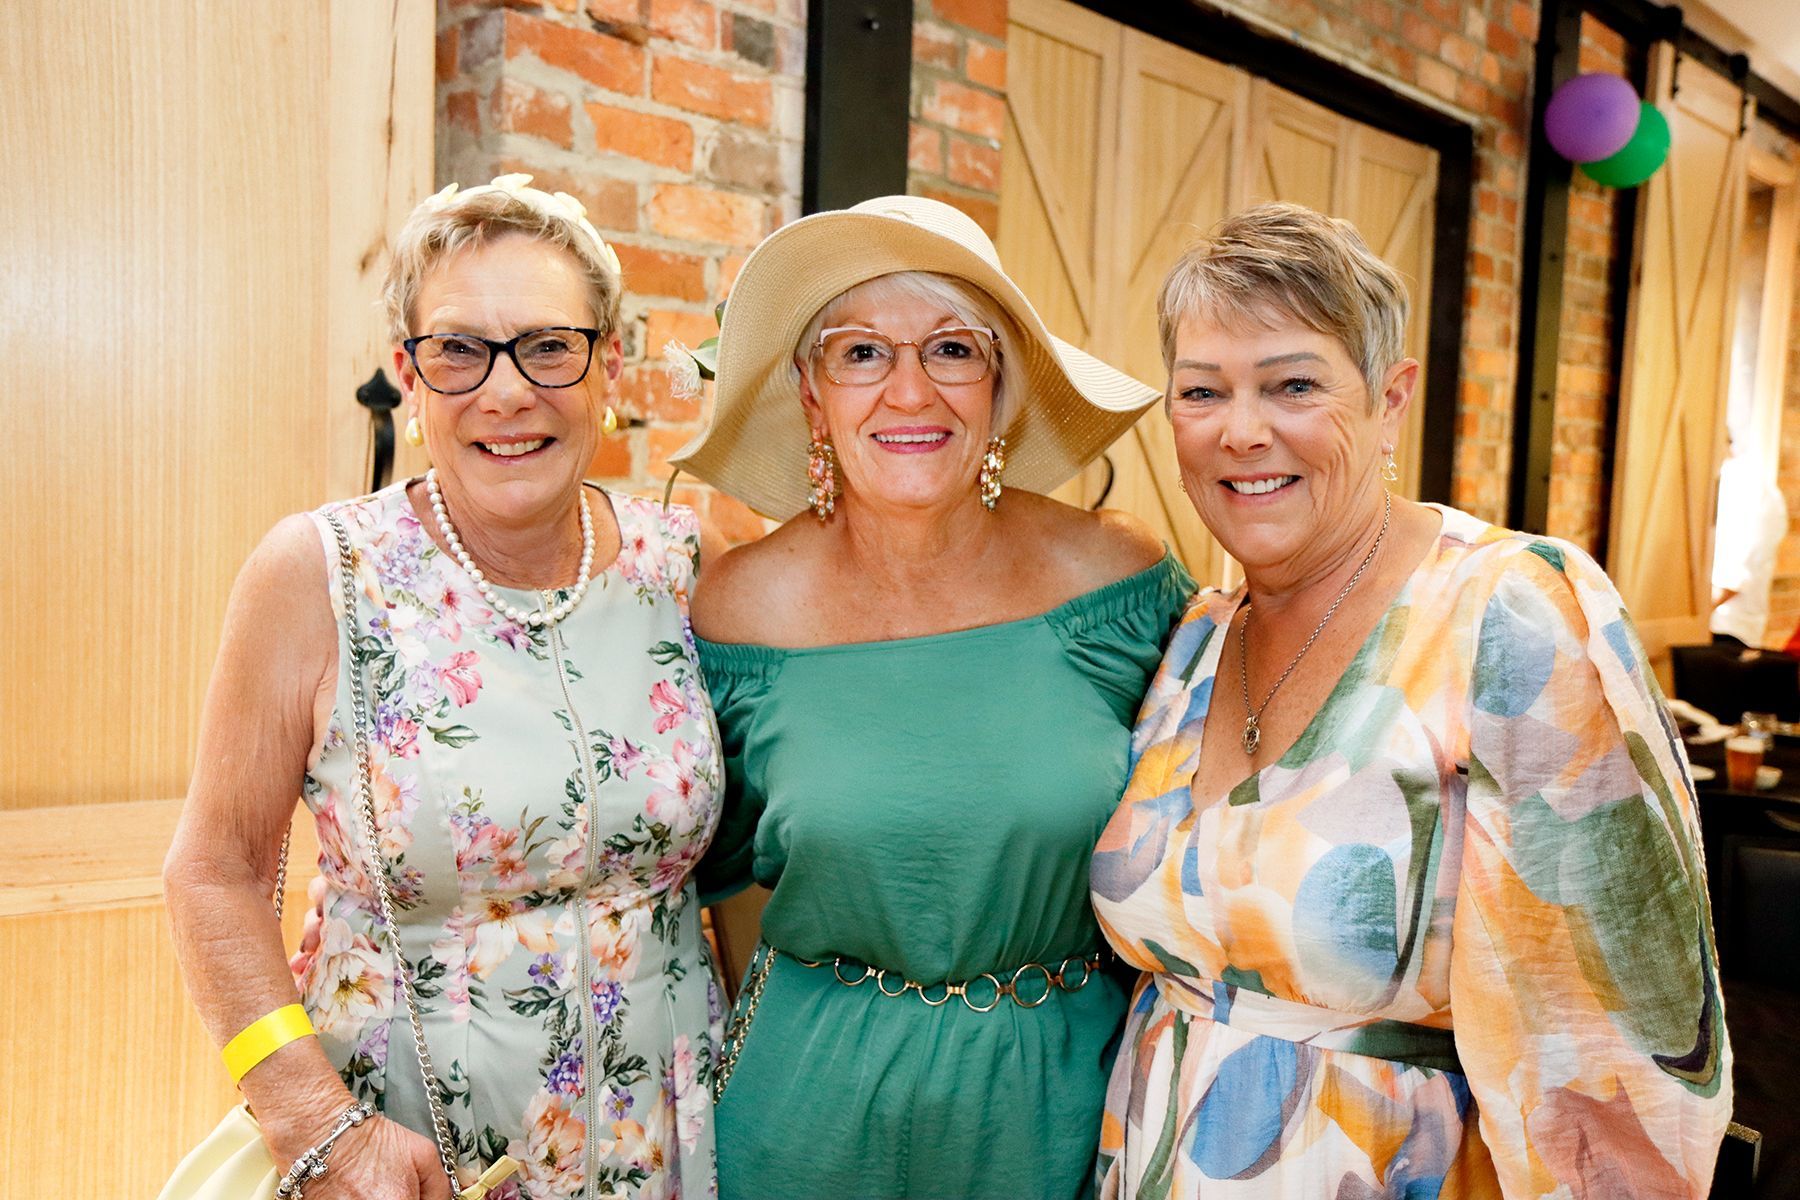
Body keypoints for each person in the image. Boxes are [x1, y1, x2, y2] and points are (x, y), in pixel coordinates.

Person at [1092, 203, 1731, 1198]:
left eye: (1293, 384)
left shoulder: (1505, 611)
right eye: (1202, 391)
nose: (1243, 430)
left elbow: (1614, 1046)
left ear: (1391, 400)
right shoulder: (1197, 640)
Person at [163, 174, 723, 1200]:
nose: (506, 392)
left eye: (549, 346)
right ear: (408, 379)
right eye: (460, 349)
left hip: (666, 1144)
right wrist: (311, 1122)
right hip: (399, 1150)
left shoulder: (688, 562)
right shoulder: (318, 573)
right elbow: (213, 872)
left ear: (611, 366)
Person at [667, 194, 1194, 1199]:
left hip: (1059, 1110)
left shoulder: (1111, 579)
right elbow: (713, 873)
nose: (910, 391)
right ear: (812, 397)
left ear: (1000, 392)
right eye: (860, 354)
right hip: (807, 1111)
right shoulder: (740, 608)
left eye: (952, 350)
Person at [1710, 440, 1788, 648]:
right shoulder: (1748, 485)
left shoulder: (1739, 486)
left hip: (1728, 628)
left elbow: (1732, 580)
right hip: (1733, 624)